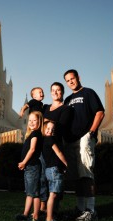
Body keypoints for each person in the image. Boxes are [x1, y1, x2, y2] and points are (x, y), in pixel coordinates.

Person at [63, 69, 105, 221]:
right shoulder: (67, 99)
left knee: (86, 173)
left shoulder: (88, 93)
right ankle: (80, 209)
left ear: (78, 78)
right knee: (77, 177)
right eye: (67, 80)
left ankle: (91, 210)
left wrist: (90, 133)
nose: (70, 82)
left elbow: (100, 113)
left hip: (84, 139)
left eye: (72, 78)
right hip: (70, 141)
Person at [42, 82, 72, 214]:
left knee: (55, 179)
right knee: (42, 179)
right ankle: (42, 210)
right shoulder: (45, 108)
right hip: (43, 148)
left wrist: (46, 122)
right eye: (53, 90)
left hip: (55, 147)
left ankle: (55, 211)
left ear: (62, 92)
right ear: (50, 92)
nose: (55, 92)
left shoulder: (66, 109)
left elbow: (61, 126)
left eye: (58, 90)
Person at [16, 111, 44, 221]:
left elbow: (32, 150)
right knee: (30, 192)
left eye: (34, 120)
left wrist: (24, 162)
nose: (31, 123)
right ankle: (25, 214)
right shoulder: (31, 134)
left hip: (32, 166)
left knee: (34, 193)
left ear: (39, 122)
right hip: (29, 167)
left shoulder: (36, 134)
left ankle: (35, 216)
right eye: (30, 120)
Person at [42, 120, 68, 221]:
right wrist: (66, 163)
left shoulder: (45, 140)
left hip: (50, 170)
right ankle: (49, 218)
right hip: (54, 170)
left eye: (53, 130)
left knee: (53, 194)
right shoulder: (50, 139)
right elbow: (58, 152)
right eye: (48, 129)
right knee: (53, 195)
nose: (50, 131)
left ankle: (52, 215)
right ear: (44, 129)